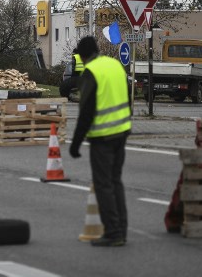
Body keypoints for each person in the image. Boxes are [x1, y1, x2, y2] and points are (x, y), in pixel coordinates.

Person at [69, 36, 132, 247]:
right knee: (116, 182)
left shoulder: (91, 72)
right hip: (121, 133)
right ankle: (122, 230)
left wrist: (75, 143)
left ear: (83, 55)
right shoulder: (115, 65)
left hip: (102, 137)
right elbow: (127, 98)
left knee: (103, 185)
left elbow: (86, 111)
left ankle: (113, 233)